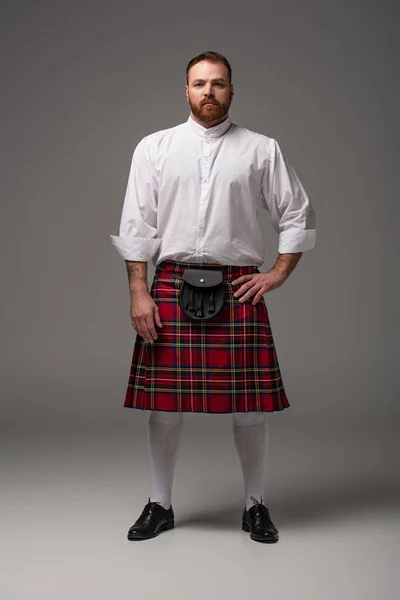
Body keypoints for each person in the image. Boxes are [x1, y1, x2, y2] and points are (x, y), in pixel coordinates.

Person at [110, 51, 316, 543]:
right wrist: (140, 291)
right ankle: (160, 504)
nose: (208, 91)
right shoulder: (154, 148)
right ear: (185, 90)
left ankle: (255, 505)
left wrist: (276, 274)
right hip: (170, 282)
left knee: (250, 407)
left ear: (231, 90)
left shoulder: (262, 149)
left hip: (238, 284)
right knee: (164, 405)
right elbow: (137, 226)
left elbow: (296, 216)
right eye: (199, 83)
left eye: (218, 83)